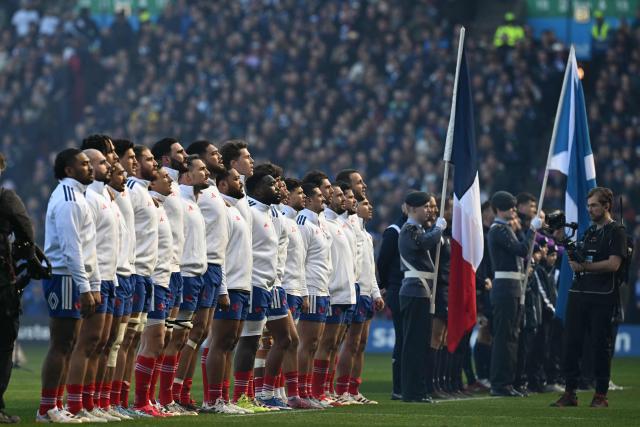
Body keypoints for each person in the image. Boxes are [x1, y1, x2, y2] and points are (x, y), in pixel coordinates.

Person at [38, 149, 99, 423]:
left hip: (72, 278)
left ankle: (56, 405)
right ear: (69, 170)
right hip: (64, 277)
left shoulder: (79, 197)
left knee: (69, 342)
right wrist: (85, 287)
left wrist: (92, 284)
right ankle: (46, 408)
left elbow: (88, 248)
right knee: (61, 342)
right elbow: (71, 248)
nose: (90, 168)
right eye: (84, 164)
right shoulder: (68, 199)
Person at [552, 187, 627, 408]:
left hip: (603, 295)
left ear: (607, 206)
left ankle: (600, 395)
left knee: (599, 345)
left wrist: (585, 265)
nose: (589, 209)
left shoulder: (617, 231)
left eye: (594, 205)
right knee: (571, 343)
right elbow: (576, 262)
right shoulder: (589, 232)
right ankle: (570, 393)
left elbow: (614, 264)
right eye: (588, 205)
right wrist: (565, 243)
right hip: (579, 292)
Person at [0, 152, 47, 424]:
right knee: (4, 345)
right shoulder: (6, 198)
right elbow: (26, 234)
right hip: (1, 284)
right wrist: (29, 260)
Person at [203, 167, 253, 415]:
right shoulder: (222, 210)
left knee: (230, 343)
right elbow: (218, 253)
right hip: (230, 286)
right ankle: (213, 400)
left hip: (242, 285)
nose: (240, 182)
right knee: (220, 343)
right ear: (221, 184)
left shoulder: (234, 210)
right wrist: (222, 289)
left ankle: (223, 397)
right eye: (235, 178)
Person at [185, 140, 230, 409]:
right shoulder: (195, 194)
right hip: (198, 266)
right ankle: (174, 392)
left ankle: (185, 392)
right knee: (187, 333)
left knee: (200, 333)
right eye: (213, 154)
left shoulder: (212, 189)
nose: (218, 157)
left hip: (215, 266)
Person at [232, 169, 282, 408]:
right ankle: (240, 396)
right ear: (258, 188)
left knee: (254, 342)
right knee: (248, 341)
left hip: (265, 285)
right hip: (252, 283)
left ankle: (247, 395)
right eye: (271, 184)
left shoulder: (268, 212)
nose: (276, 188)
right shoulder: (250, 211)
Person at [487, 191, 542, 397]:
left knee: (511, 336)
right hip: (505, 288)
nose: (514, 210)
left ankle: (507, 381)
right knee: (504, 338)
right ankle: (500, 383)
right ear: (500, 209)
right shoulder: (498, 230)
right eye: (510, 207)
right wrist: (532, 231)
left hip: (513, 287)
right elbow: (522, 251)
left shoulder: (505, 229)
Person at [398, 191, 446, 403]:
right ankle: (411, 391)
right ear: (412, 208)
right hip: (414, 291)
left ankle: (419, 389)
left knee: (421, 344)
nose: (429, 210)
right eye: (425, 207)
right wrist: (438, 229)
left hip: (423, 291)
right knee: (413, 345)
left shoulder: (420, 229)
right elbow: (422, 244)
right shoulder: (409, 229)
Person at [124, 145, 160, 416]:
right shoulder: (132, 191)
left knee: (131, 340)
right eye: (146, 159)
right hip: (133, 272)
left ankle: (124, 400)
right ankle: (118, 400)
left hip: (146, 274)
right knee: (121, 341)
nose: (151, 162)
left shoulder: (143, 192)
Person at [295, 183, 332, 410]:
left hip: (323, 288)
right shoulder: (303, 223)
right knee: (306, 343)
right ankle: (300, 390)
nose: (323, 198)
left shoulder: (320, 224)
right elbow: (299, 259)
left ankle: (308, 390)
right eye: (318, 195)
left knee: (314, 344)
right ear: (308, 200)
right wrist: (305, 291)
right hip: (311, 289)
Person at [348, 195, 384, 404]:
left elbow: (369, 268)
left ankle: (354, 390)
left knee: (360, 344)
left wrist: (376, 293)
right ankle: (341, 389)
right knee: (348, 344)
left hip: (366, 294)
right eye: (365, 203)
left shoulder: (367, 235)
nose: (370, 207)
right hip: (355, 292)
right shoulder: (350, 229)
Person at [376, 207, 407, 400]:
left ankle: (411, 384)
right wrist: (386, 285)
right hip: (398, 290)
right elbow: (383, 262)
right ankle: (398, 387)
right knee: (403, 339)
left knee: (411, 340)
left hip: (409, 290)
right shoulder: (394, 231)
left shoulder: (416, 228)